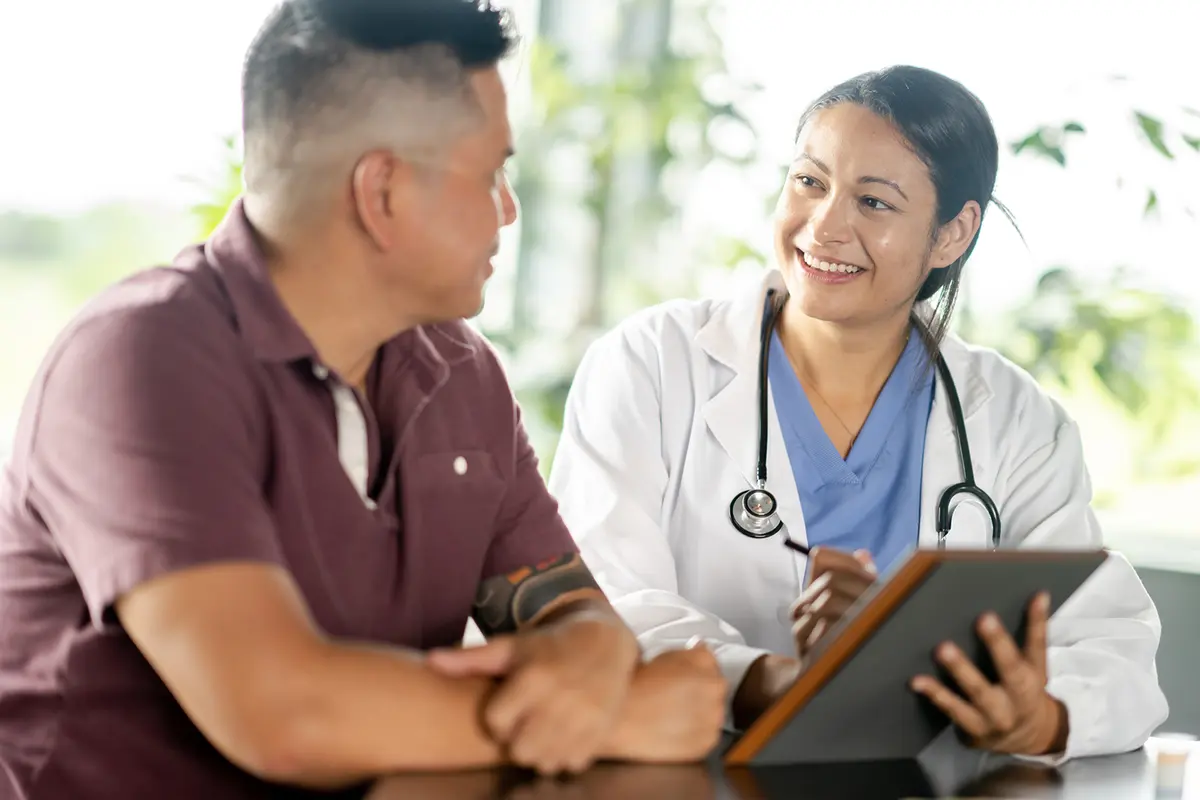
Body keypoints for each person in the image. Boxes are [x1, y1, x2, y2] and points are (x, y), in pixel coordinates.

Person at [0, 1, 727, 797]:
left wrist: (589, 652)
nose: (509, 210)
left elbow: (568, 611)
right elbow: (282, 712)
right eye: (490, 175)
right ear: (381, 191)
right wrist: (618, 717)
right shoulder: (140, 358)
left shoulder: (463, 372)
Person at [548, 65, 1168, 761]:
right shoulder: (653, 365)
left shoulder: (1018, 423)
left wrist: (1041, 718)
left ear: (953, 234)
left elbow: (1113, 649)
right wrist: (778, 681)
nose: (823, 226)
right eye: (810, 182)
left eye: (874, 203)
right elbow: (596, 607)